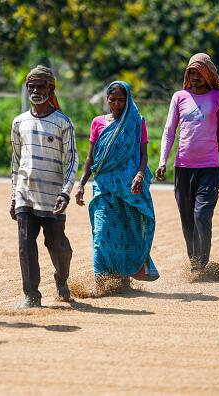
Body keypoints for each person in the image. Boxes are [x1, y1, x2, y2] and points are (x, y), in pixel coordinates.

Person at [155, 53, 219, 272]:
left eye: (199, 72)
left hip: (209, 168)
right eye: (191, 72)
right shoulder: (179, 97)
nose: (195, 76)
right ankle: (194, 262)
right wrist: (163, 161)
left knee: (202, 216)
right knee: (187, 219)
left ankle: (202, 263)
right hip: (183, 168)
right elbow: (169, 131)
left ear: (208, 74)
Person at [75, 81, 158, 285]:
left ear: (128, 100)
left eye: (121, 100)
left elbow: (143, 155)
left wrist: (139, 175)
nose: (117, 104)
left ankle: (123, 281)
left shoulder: (137, 122)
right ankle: (101, 282)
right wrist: (80, 184)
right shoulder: (98, 123)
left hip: (129, 187)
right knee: (101, 234)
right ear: (107, 100)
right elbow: (91, 158)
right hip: (104, 186)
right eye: (113, 99)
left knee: (128, 232)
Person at [10, 65, 78, 308]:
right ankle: (31, 295)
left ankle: (61, 278)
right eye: (31, 86)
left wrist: (65, 192)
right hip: (25, 195)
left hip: (53, 197)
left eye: (41, 86)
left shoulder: (63, 123)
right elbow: (16, 161)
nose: (35, 90)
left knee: (59, 247)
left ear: (51, 88)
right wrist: (13, 197)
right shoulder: (19, 122)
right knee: (25, 245)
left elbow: (72, 161)